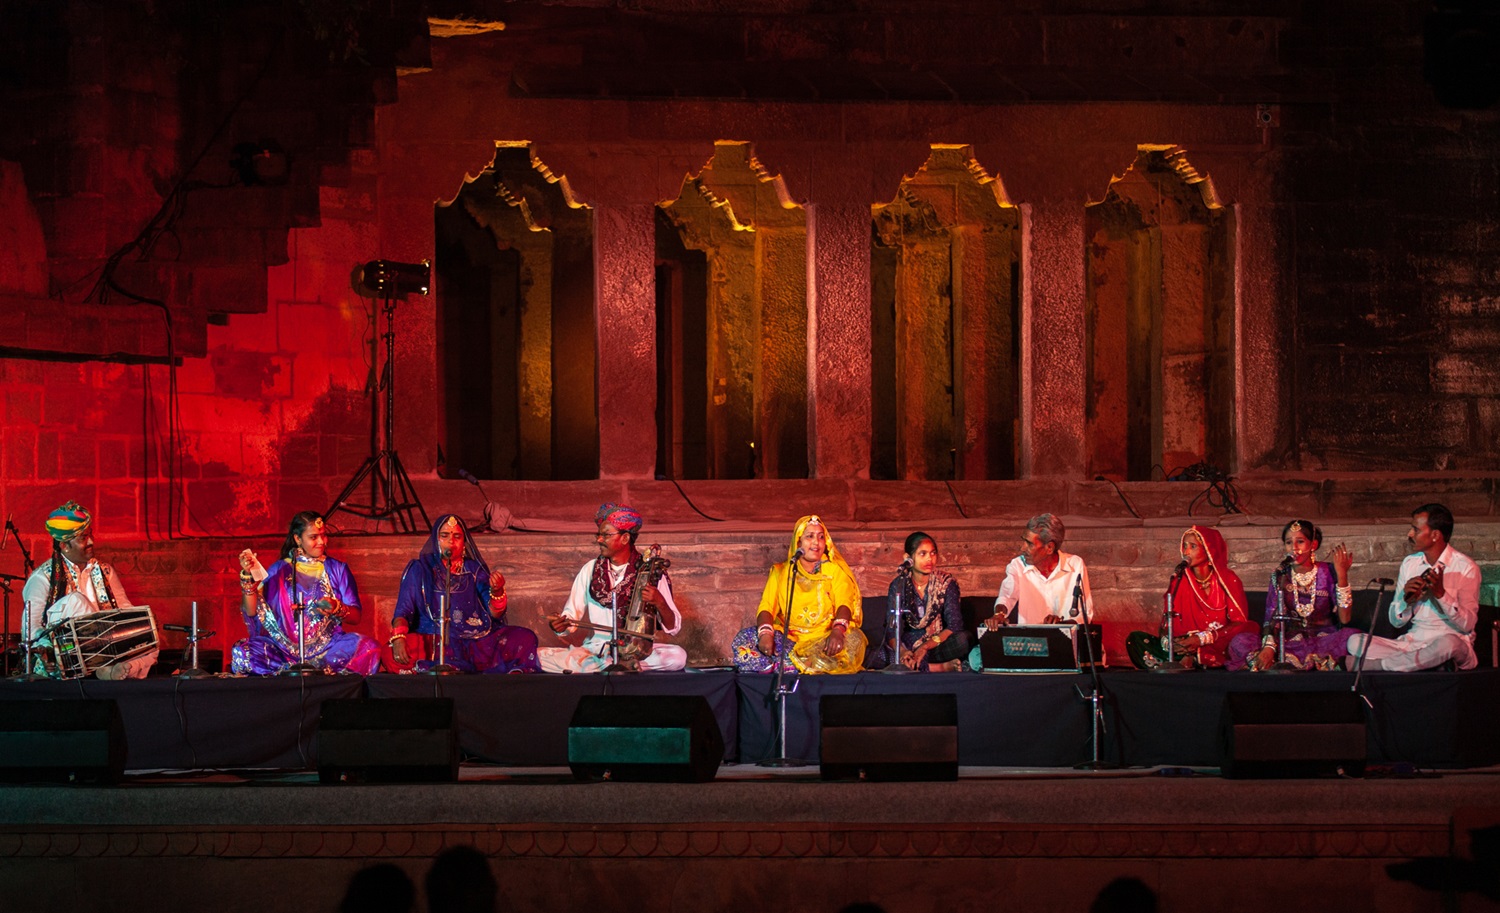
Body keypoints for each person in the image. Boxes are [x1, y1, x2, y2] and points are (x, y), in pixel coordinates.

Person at [540, 503, 687, 673]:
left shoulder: (650, 572)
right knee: (541, 656)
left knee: (677, 656)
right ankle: (618, 666)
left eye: (606, 535)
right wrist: (561, 625)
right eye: (599, 535)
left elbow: (673, 627)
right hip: (597, 649)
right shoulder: (590, 569)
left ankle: (617, 666)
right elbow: (570, 619)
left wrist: (660, 602)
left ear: (625, 538)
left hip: (636, 650)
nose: (599, 540)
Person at [230, 511, 380, 675]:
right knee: (242, 652)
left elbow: (356, 616)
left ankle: (314, 668)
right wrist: (247, 577)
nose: (321, 542)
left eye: (323, 536)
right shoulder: (279, 570)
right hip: (283, 652)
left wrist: (337, 608)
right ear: (297, 539)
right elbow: (251, 610)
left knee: (369, 648)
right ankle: (296, 669)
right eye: (313, 537)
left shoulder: (337, 569)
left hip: (328, 650)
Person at [21, 500, 158, 680]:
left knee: (149, 634)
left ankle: (121, 668)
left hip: (110, 644)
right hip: (67, 652)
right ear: (64, 545)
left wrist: (139, 626)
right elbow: (30, 629)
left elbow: (124, 609)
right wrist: (48, 649)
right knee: (76, 601)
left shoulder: (105, 571)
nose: (91, 541)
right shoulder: (42, 578)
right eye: (82, 538)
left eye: (89, 534)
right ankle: (104, 669)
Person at [388, 514, 539, 673]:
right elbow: (403, 612)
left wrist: (497, 591)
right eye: (444, 536)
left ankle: (462, 666)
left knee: (525, 637)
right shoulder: (419, 569)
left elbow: (495, 614)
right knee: (390, 653)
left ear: (464, 543)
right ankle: (455, 666)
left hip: (476, 642)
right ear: (435, 540)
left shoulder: (473, 569)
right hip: (435, 640)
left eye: (457, 536)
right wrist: (398, 638)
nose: (451, 541)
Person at [1348, 503, 1480, 671]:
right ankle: (1428, 664)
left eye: (1416, 530)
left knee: (1448, 644)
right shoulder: (1410, 563)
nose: (1410, 534)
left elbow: (1467, 625)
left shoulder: (1466, 567)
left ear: (1435, 535)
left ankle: (1378, 665)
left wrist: (1441, 595)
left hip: (1452, 642)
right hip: (1414, 643)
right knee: (1355, 642)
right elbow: (1395, 622)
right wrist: (1407, 599)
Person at [732, 514, 865, 674]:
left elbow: (845, 604)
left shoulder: (835, 571)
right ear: (798, 542)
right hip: (789, 639)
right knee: (743, 639)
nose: (816, 542)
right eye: (810, 536)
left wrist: (837, 631)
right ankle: (792, 665)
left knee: (854, 639)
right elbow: (766, 607)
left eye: (821, 537)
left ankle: (783, 666)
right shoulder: (781, 572)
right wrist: (765, 634)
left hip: (824, 639)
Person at [1226, 520, 1357, 672]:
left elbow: (1345, 619)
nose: (1294, 548)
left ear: (1313, 545)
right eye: (1289, 542)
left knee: (1352, 637)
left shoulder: (1328, 572)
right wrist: (1269, 647)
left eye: (1300, 542)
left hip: (1324, 639)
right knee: (1240, 641)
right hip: (1288, 640)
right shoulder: (1280, 574)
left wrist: (1342, 576)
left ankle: (1297, 661)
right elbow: (1271, 616)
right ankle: (1277, 659)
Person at [969, 513, 1094, 671]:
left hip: (1064, 643)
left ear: (1049, 547)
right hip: (1030, 644)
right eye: (1023, 541)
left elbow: (1085, 615)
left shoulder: (1075, 565)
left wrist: (1061, 625)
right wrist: (999, 615)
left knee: (1097, 652)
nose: (1022, 548)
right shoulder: (1017, 565)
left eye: (1029, 544)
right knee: (976, 657)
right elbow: (1007, 596)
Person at [1126, 525, 1257, 670]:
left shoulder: (1228, 580)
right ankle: (1186, 661)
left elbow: (1239, 623)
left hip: (1216, 642)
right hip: (1184, 643)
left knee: (1244, 636)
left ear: (1208, 550)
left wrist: (1201, 639)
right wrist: (1169, 642)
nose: (1186, 552)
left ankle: (1191, 660)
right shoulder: (1179, 580)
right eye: (1184, 546)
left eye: (1192, 546)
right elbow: (1166, 624)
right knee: (1135, 640)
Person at [865, 531, 971, 671]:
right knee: (870, 656)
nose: (929, 559)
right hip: (909, 644)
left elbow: (954, 625)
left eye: (933, 553)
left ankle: (915, 666)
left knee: (963, 641)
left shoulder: (946, 583)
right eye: (923, 554)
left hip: (936, 644)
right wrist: (903, 653)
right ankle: (937, 668)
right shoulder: (899, 584)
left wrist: (924, 647)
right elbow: (892, 630)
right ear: (908, 558)